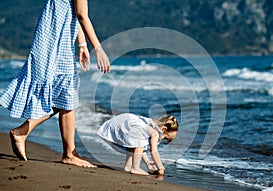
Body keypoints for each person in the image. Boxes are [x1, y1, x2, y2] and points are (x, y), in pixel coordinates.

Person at [0, 0, 110, 168]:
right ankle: (64, 151)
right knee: (65, 94)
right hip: (56, 43)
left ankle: (63, 150)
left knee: (65, 96)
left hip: (54, 39)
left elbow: (75, 13)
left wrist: (81, 44)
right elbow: (81, 14)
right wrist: (98, 48)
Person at [97, 113, 179, 176]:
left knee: (134, 143)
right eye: (165, 137)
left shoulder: (150, 125)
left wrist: (148, 163)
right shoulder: (155, 133)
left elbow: (140, 150)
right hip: (124, 124)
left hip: (121, 122)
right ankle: (135, 168)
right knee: (138, 141)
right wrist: (160, 167)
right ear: (164, 129)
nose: (163, 139)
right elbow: (153, 151)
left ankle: (128, 167)